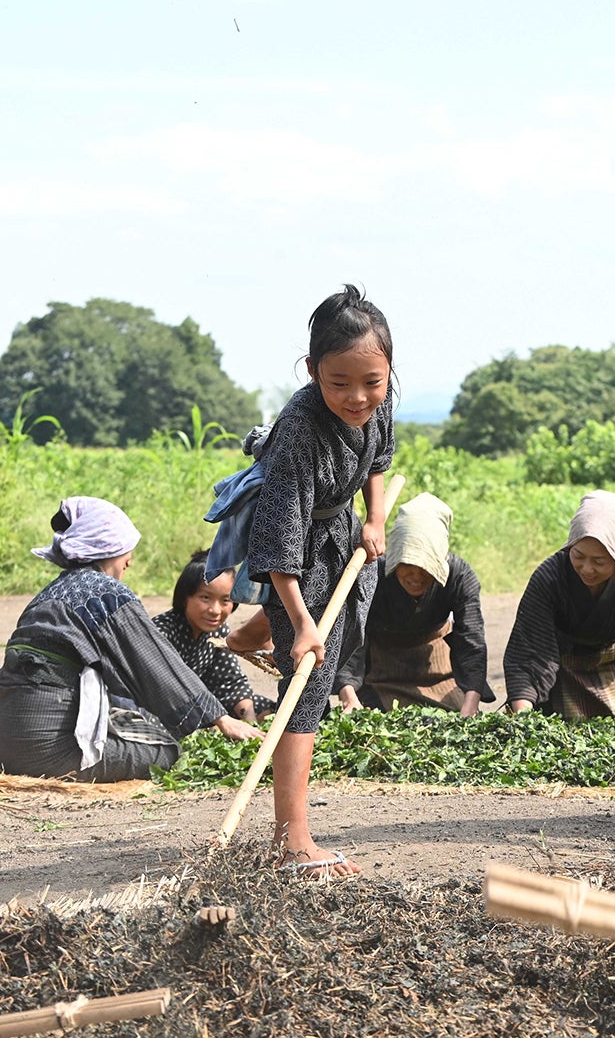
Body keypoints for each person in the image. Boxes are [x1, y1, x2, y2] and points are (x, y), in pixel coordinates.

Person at [248, 285, 395, 879]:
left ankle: (265, 633)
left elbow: (379, 460)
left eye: (372, 382)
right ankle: (294, 842)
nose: (358, 398)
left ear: (387, 369)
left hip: (342, 536)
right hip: (295, 555)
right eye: (339, 384)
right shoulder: (299, 433)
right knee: (307, 683)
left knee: (326, 660)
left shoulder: (376, 398)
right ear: (312, 372)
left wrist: (377, 518)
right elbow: (280, 545)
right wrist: (303, 621)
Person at [0, 498, 263, 782]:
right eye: (125, 551)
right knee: (167, 752)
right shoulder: (107, 594)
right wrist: (221, 719)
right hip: (44, 748)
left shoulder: (48, 593)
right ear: (108, 549)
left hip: (0, 742)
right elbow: (156, 664)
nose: (129, 561)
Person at [502, 490, 615, 726]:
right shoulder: (550, 576)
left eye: (599, 561)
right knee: (561, 729)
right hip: (561, 668)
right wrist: (524, 723)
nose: (587, 569)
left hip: (611, 666)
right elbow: (529, 653)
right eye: (578, 556)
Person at [333, 492, 493, 716]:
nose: (416, 576)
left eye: (426, 567)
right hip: (382, 676)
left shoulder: (458, 576)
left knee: (454, 720)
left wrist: (472, 701)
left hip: (437, 673)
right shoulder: (372, 574)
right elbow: (352, 636)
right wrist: (349, 695)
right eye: (408, 564)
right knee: (374, 717)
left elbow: (471, 638)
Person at [151, 551, 279, 723]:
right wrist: (221, 721)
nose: (215, 611)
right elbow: (168, 691)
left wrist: (250, 722)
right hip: (169, 708)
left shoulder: (218, 632)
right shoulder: (160, 633)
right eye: (205, 598)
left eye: (225, 600)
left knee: (267, 709)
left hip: (206, 705)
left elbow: (231, 683)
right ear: (184, 597)